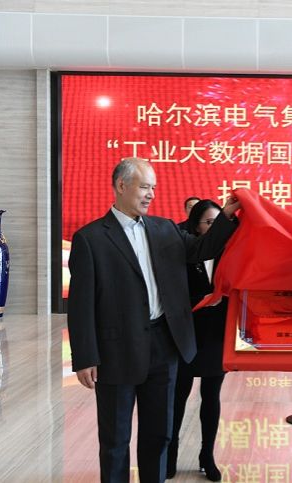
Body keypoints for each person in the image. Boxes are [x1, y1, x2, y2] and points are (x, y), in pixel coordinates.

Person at [67, 158, 240, 483]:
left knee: (158, 433)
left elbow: (203, 248)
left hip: (164, 345)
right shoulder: (91, 238)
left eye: (153, 188)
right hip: (116, 352)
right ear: (122, 186)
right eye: (145, 187)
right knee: (116, 439)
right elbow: (80, 304)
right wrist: (85, 356)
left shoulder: (165, 230)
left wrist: (227, 214)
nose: (151, 194)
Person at [168, 200, 228, 482]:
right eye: (209, 222)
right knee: (178, 397)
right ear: (196, 224)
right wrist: (200, 300)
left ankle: (207, 456)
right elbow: (173, 293)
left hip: (217, 335)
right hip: (186, 334)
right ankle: (170, 455)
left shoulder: (228, 251)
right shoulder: (183, 250)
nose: (214, 228)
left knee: (211, 397)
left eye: (218, 222)